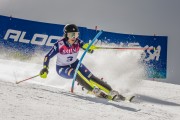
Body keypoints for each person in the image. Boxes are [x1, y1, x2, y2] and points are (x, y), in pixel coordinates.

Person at [39, 24, 125, 101]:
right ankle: (93, 90)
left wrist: (90, 48)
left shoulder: (78, 42)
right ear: (66, 35)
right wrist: (45, 68)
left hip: (75, 63)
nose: (74, 37)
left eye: (76, 34)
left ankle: (111, 91)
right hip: (62, 68)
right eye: (71, 35)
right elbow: (47, 56)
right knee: (75, 73)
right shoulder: (59, 44)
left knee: (91, 77)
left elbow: (85, 47)